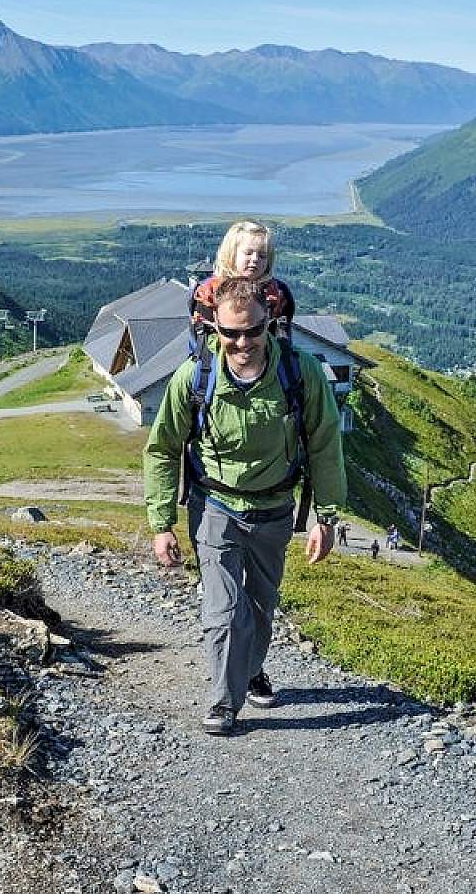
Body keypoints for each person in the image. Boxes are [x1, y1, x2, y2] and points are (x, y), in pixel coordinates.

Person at [145, 275, 346, 736]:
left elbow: (325, 445)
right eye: (229, 332)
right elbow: (162, 449)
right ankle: (224, 702)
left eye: (252, 330)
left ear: (270, 323)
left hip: (274, 511)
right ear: (214, 327)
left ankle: (249, 668)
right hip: (214, 506)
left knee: (258, 611)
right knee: (224, 611)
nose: (241, 342)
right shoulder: (194, 378)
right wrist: (162, 523)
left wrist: (327, 516)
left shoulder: (302, 374)